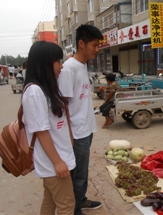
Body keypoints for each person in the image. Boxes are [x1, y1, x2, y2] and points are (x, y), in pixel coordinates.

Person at [22, 41, 76, 215]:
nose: (61, 66)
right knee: (67, 205)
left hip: (57, 157)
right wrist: (58, 162)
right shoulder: (35, 92)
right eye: (58, 61)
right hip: (53, 162)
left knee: (50, 201)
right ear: (45, 63)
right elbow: (41, 131)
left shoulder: (46, 89)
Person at [58, 24, 103, 215]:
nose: (97, 49)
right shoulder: (69, 68)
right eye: (94, 45)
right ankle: (75, 210)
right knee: (77, 175)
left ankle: (81, 200)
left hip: (86, 128)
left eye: (98, 45)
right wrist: (68, 136)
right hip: (76, 132)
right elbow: (63, 106)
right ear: (81, 43)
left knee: (82, 172)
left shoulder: (83, 65)